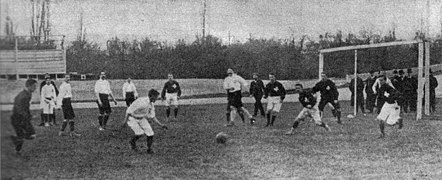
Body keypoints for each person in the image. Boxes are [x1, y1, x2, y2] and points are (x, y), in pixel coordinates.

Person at [124, 89, 168, 153]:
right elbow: (129, 110)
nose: (157, 99)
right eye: (156, 97)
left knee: (150, 133)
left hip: (142, 119)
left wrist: (161, 125)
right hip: (132, 118)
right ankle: (132, 142)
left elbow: (153, 116)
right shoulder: (141, 101)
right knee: (139, 133)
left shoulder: (151, 104)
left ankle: (149, 149)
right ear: (152, 96)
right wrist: (124, 121)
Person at [10, 79, 38, 155]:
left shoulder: (28, 94)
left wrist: (29, 115)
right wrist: (27, 116)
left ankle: (17, 142)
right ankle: (15, 145)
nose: (35, 88)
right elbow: (19, 109)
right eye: (34, 86)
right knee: (26, 136)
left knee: (31, 135)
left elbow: (26, 108)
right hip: (17, 119)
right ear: (29, 86)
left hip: (22, 118)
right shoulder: (22, 96)